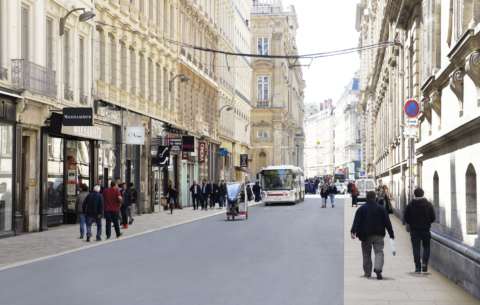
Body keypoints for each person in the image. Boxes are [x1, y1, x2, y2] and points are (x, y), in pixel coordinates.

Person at [350, 191, 395, 280]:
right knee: (379, 252)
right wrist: (391, 234)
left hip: (365, 235)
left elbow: (357, 221)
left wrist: (353, 232)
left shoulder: (361, 209)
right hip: (378, 234)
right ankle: (378, 268)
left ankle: (367, 273)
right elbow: (387, 222)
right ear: (375, 198)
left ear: (366, 198)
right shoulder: (381, 208)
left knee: (366, 254)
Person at [404, 187, 436, 274]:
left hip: (414, 230)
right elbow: (433, 218)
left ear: (415, 194)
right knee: (426, 246)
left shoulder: (410, 205)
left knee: (416, 248)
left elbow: (406, 218)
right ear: (423, 194)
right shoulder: (429, 204)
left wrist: (412, 222)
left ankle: (417, 267)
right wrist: (426, 222)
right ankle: (425, 262)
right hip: (425, 229)